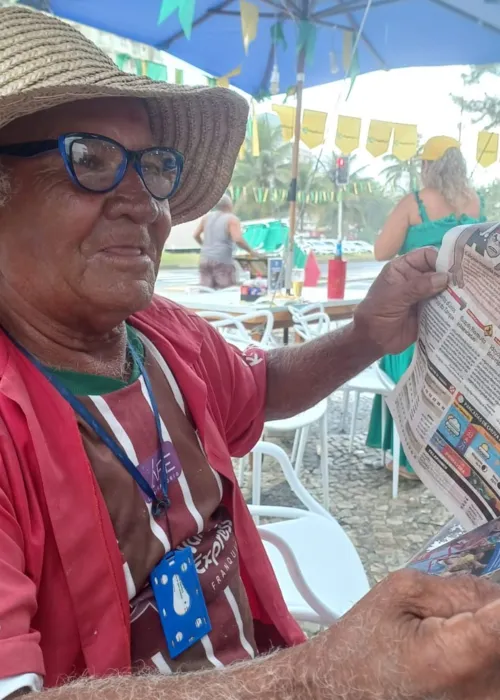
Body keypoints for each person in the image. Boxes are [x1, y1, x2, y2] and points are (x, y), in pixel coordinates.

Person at [2, 9, 500, 700]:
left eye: (154, 169)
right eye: (90, 160)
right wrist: (326, 676)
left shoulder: (163, 334)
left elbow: (261, 390)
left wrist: (365, 334)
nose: (146, 206)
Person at [367, 136, 486, 479]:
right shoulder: (473, 203)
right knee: (445, 384)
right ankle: (439, 461)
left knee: (403, 378)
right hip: (455, 313)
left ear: (428, 166)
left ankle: (405, 462)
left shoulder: (413, 203)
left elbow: (380, 251)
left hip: (412, 308)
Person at [193, 194, 256, 289]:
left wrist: (206, 246)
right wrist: (251, 251)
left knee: (205, 291)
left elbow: (196, 235)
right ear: (229, 205)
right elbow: (238, 239)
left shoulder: (206, 218)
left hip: (205, 259)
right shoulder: (231, 219)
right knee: (225, 292)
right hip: (222, 261)